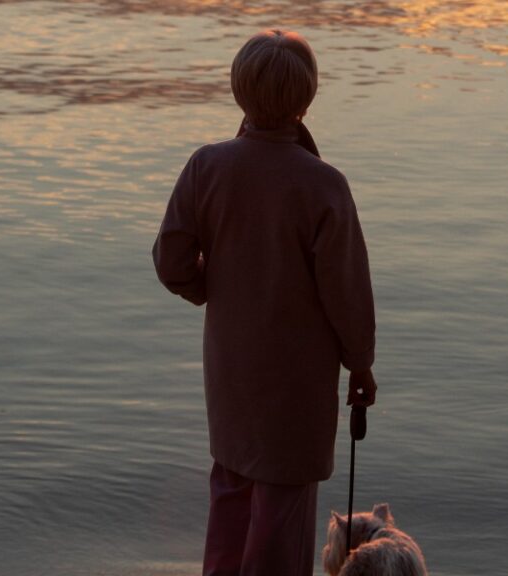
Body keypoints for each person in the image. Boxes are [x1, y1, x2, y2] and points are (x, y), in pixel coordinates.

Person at [152, 28, 377, 576]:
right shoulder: (323, 184)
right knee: (283, 512)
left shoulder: (207, 166)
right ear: (306, 100)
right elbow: (346, 292)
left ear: (238, 92)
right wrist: (360, 363)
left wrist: (213, 288)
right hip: (296, 384)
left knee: (230, 492)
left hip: (230, 371)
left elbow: (171, 261)